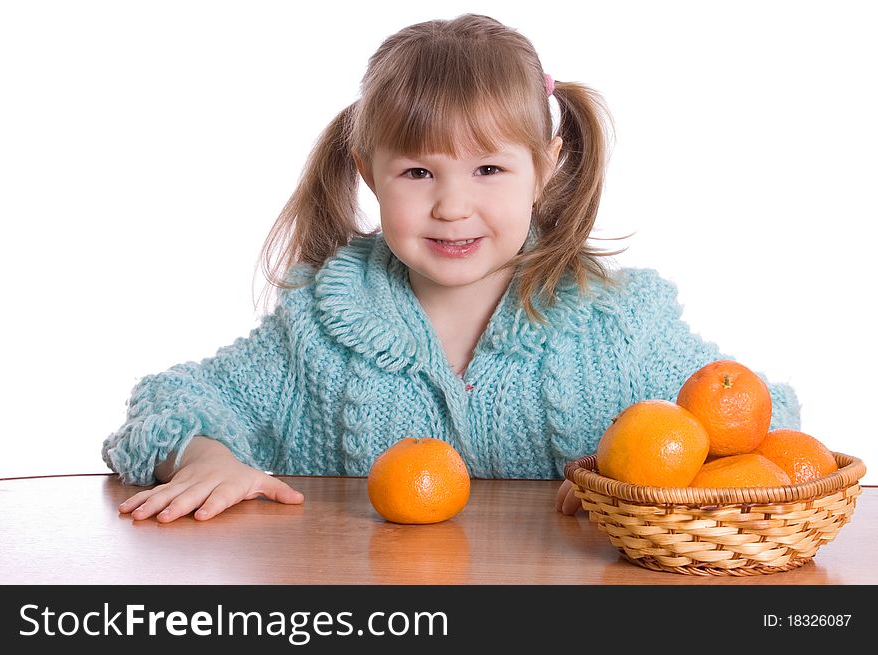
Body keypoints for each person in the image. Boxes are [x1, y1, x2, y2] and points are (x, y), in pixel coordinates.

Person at [103, 13, 800, 523]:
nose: (452, 204)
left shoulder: (616, 323)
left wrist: (650, 483)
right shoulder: (320, 326)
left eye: (489, 167)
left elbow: (759, 425)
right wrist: (203, 457)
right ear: (368, 175)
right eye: (416, 172)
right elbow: (175, 399)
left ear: (545, 169)